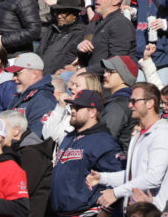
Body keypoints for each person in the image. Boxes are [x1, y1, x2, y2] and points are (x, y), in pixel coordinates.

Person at [87, 82, 168, 212]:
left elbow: (153, 178)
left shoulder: (163, 134)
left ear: (150, 103)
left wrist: (116, 192)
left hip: (157, 211)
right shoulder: (139, 134)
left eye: (134, 101)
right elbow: (134, 174)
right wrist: (103, 178)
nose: (130, 105)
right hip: (136, 210)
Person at [50, 89, 124, 217]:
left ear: (92, 112)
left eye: (78, 108)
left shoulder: (104, 141)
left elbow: (119, 177)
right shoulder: (69, 137)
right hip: (62, 212)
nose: (73, 110)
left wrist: (107, 211)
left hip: (88, 212)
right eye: (73, 106)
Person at [77, 0, 134, 73]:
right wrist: (81, 51)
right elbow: (86, 62)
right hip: (91, 78)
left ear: (115, 0)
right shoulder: (94, 24)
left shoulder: (121, 24)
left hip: (107, 82)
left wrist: (86, 71)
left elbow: (116, 63)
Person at [6, 53, 57, 138]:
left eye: (17, 73)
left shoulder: (44, 100)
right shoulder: (19, 96)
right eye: (13, 74)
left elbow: (35, 139)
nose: (13, 78)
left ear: (35, 74)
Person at [102, 56, 139, 151]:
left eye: (110, 71)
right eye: (105, 70)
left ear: (124, 76)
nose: (105, 75)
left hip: (113, 161)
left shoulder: (118, 104)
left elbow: (104, 139)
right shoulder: (127, 99)